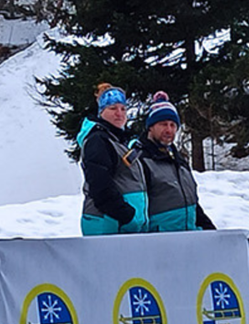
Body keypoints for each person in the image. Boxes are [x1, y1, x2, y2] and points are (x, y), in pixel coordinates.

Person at [136, 94, 213, 232]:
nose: (169, 130)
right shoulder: (140, 159)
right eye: (163, 124)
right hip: (159, 242)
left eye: (173, 125)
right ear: (150, 127)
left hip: (189, 236)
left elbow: (193, 205)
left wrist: (211, 231)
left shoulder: (179, 161)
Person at [79, 84, 144, 235]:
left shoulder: (119, 140)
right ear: (102, 111)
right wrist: (126, 215)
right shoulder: (98, 140)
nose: (119, 114)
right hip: (107, 223)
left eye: (123, 109)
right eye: (113, 108)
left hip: (120, 225)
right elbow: (100, 184)